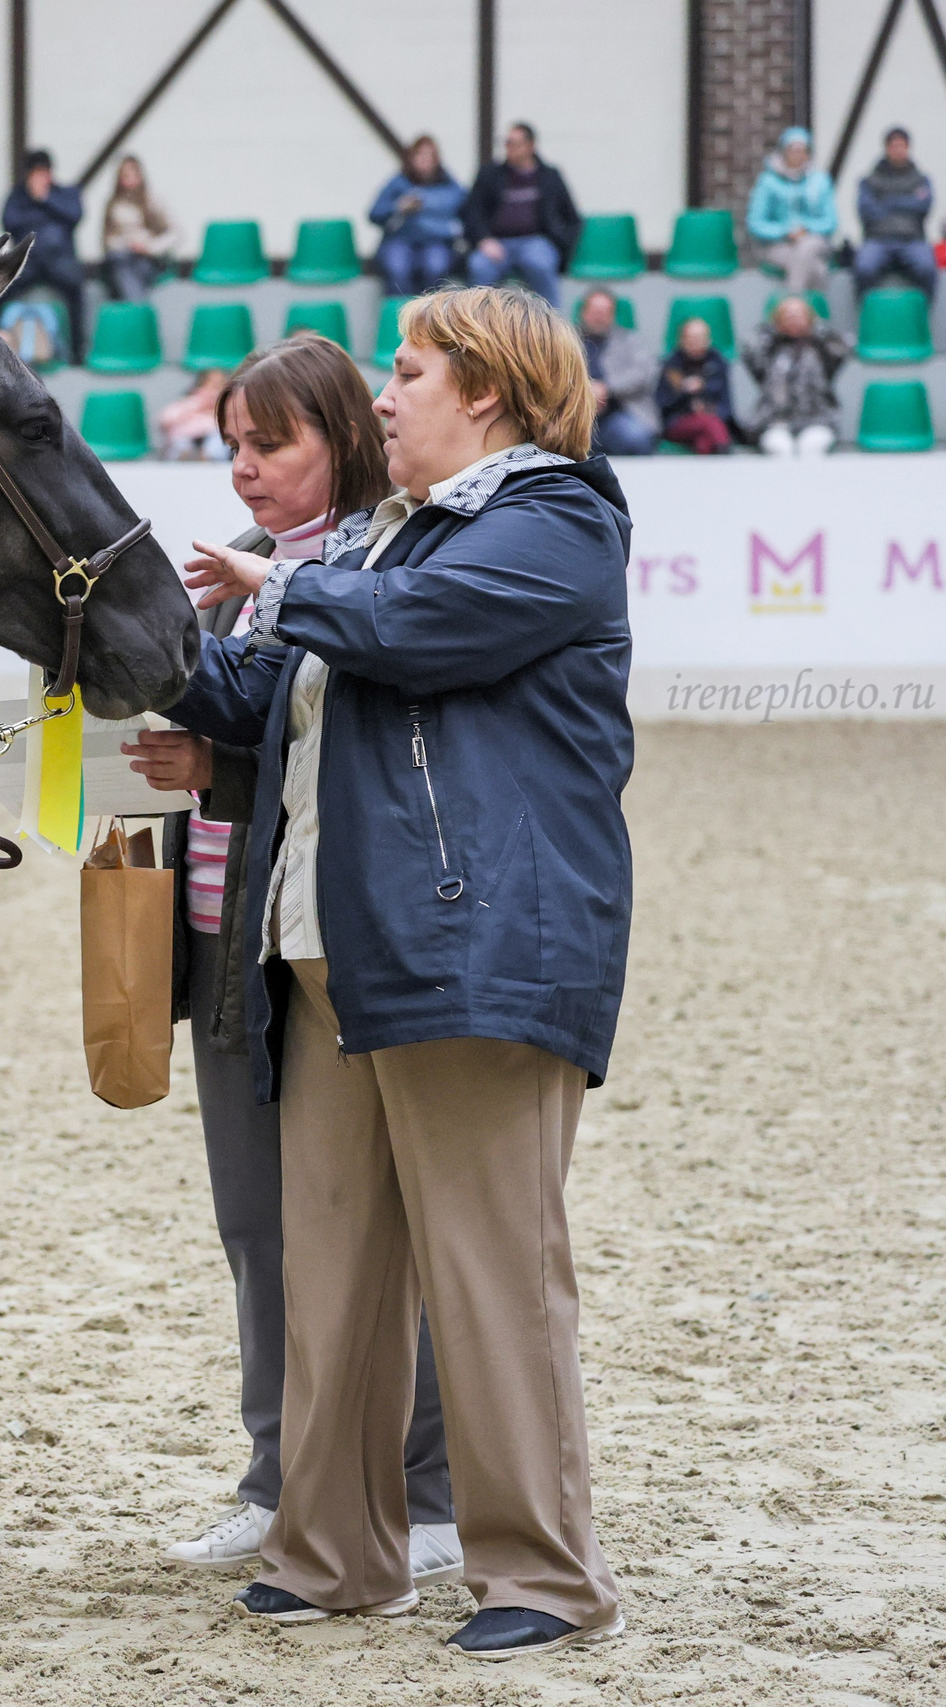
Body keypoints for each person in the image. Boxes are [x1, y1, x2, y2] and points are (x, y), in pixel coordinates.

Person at [170, 286, 632, 1661]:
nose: (386, 395)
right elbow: (259, 703)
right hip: (329, 948)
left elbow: (422, 630)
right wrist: (139, 627)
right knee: (336, 1271)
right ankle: (333, 1551)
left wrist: (290, 585)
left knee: (493, 1271)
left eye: (411, 371)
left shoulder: (556, 520)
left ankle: (543, 1570)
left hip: (471, 945)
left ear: (487, 390)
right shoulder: (383, 543)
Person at [122, 333, 455, 1587]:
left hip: (315, 945)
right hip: (223, 937)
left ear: (345, 443)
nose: (246, 469)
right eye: (233, 448)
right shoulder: (223, 586)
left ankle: (426, 1488)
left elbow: (340, 748)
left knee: (377, 1233)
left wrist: (216, 755)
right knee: (256, 1231)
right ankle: (277, 1479)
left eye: (273, 444)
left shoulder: (380, 568)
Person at [462, 123, 580, 305]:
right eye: (507, 143)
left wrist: (559, 243)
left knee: (540, 264)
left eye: (515, 144)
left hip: (536, 241)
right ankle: (474, 326)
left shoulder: (549, 176)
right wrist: (483, 239)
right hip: (496, 243)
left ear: (531, 146)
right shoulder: (490, 174)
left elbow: (570, 217)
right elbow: (471, 212)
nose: (510, 149)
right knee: (479, 266)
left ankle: (552, 325)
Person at [1, 150, 87, 362]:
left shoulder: (66, 193)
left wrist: (45, 200)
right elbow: (9, 222)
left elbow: (74, 215)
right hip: (27, 263)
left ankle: (78, 352)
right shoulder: (17, 197)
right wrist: (34, 202)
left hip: (59, 262)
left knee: (77, 291)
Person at [738, 293, 848, 457]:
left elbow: (843, 348)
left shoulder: (820, 346)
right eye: (788, 315)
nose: (794, 319)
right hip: (776, 420)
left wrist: (814, 328)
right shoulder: (770, 347)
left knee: (811, 447)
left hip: (817, 418)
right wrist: (774, 331)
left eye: (799, 315)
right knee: (780, 448)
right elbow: (749, 350)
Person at [745, 126, 836, 296]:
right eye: (793, 150)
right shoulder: (767, 182)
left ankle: (792, 306)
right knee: (815, 268)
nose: (798, 155)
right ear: (783, 152)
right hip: (777, 245)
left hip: (814, 241)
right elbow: (755, 223)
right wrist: (785, 231)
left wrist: (806, 228)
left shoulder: (820, 181)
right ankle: (814, 316)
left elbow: (830, 221)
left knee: (807, 246)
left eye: (802, 150)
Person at [370, 135, 465, 297]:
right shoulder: (398, 183)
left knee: (436, 266)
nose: (424, 160)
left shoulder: (450, 186)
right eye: (420, 155)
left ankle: (430, 315)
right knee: (397, 267)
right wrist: (398, 206)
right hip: (400, 240)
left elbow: (464, 214)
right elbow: (374, 214)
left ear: (437, 159)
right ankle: (398, 313)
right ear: (411, 158)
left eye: (429, 156)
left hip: (436, 243)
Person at [854, 128, 937, 302]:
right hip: (878, 239)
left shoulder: (921, 179)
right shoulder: (870, 179)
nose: (898, 150)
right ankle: (867, 313)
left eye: (902, 146)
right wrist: (906, 202)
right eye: (894, 146)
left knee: (927, 268)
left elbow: (922, 208)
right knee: (863, 268)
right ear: (886, 148)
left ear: (908, 148)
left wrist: (888, 201)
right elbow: (868, 211)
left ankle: (922, 315)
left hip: (912, 239)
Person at [574, 288, 657, 457]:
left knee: (636, 438)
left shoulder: (630, 340)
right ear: (584, 312)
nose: (599, 316)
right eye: (595, 311)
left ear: (612, 315)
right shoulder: (566, 339)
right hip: (574, 416)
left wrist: (607, 389)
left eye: (605, 312)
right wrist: (586, 391)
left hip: (620, 412)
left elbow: (644, 373)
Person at [98, 155, 175, 302]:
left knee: (131, 270)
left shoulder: (153, 201)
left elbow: (175, 233)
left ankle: (137, 308)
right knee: (120, 264)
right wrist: (127, 244)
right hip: (121, 257)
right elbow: (107, 241)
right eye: (126, 176)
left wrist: (150, 247)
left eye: (134, 175)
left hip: (148, 260)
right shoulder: (113, 205)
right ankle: (138, 309)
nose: (130, 181)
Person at [654, 317, 734, 455]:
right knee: (709, 424)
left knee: (704, 442)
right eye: (691, 338)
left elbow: (726, 405)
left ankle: (707, 473)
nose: (695, 342)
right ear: (682, 340)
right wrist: (686, 393)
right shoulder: (671, 366)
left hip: (713, 421)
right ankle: (725, 453)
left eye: (700, 337)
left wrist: (705, 395)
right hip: (678, 422)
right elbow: (662, 405)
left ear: (708, 339)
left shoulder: (718, 364)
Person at [156, 367, 228, 460]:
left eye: (220, 384)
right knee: (181, 443)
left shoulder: (226, 408)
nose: (215, 390)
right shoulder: (188, 403)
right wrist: (194, 406)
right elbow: (165, 420)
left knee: (218, 441)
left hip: (210, 439)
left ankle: (208, 457)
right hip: (185, 437)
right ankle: (184, 456)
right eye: (211, 384)